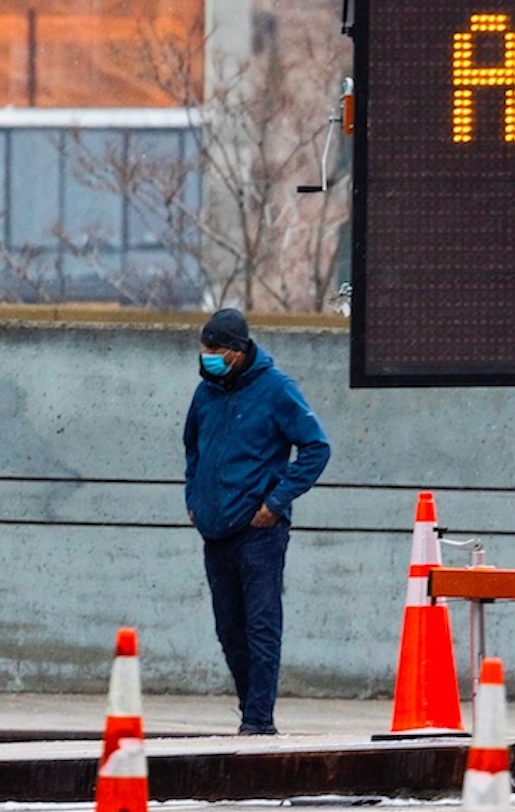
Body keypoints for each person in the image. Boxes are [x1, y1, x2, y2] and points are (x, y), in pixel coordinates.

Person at [183, 308, 331, 736]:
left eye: (214, 349)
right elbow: (192, 449)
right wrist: (192, 498)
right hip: (215, 529)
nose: (206, 355)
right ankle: (251, 709)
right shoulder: (204, 393)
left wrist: (277, 500)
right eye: (204, 347)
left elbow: (316, 448)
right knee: (229, 629)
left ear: (236, 350)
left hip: (260, 531)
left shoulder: (277, 390)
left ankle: (258, 720)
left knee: (262, 626)